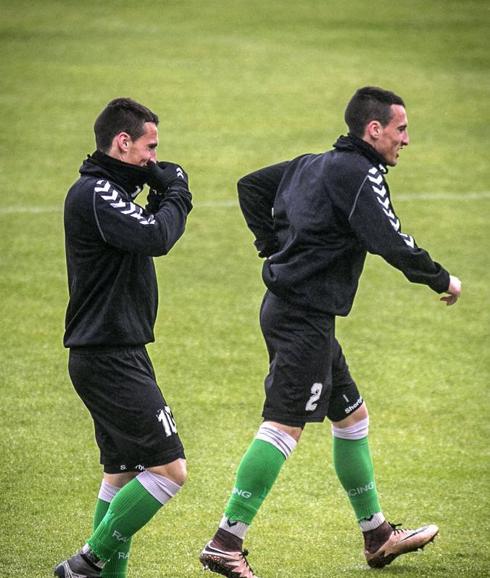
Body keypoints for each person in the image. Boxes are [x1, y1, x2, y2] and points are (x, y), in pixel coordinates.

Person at [199, 86, 462, 577]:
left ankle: (377, 534)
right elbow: (390, 238)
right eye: (401, 130)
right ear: (374, 129)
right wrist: (440, 278)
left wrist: (275, 247)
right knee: (284, 426)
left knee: (352, 418)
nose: (406, 140)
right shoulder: (361, 173)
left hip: (296, 311)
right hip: (302, 317)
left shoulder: (311, 163)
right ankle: (224, 542)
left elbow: (250, 186)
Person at [54, 98, 192, 578]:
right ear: (123, 141)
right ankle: (87, 563)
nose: (154, 158)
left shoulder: (110, 193)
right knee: (169, 471)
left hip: (113, 351)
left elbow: (142, 231)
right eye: (149, 148)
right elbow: (156, 236)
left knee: (123, 475)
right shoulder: (95, 193)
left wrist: (156, 188)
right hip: (109, 356)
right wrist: (177, 191)